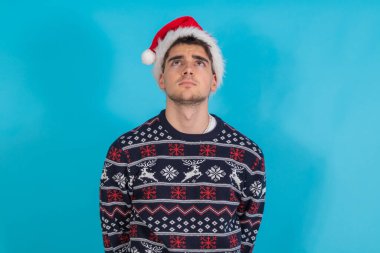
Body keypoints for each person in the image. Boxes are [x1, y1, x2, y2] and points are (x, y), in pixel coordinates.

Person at [99, 16, 266, 253]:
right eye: (177, 62)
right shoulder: (126, 151)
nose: (188, 69)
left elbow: (246, 236)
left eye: (199, 63)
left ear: (214, 80)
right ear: (161, 79)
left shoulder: (247, 155)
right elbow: (115, 237)